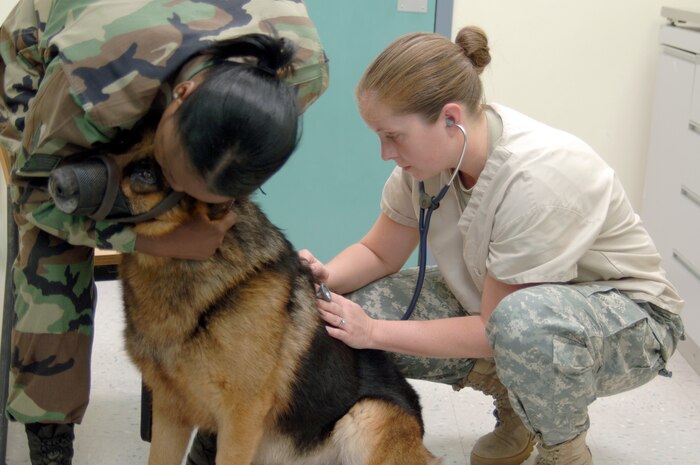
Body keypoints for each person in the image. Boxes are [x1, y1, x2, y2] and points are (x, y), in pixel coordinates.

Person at [300, 26, 685, 465]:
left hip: (632, 319)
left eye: (394, 135)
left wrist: (372, 331)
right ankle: (517, 403)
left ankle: (564, 450)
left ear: (450, 118)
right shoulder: (426, 166)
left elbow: (495, 326)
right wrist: (326, 277)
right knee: (343, 308)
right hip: (507, 305)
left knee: (522, 324)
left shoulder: (539, 177)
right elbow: (379, 254)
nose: (385, 152)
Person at [0, 0, 328, 463]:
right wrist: (150, 238)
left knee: (209, 221)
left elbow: (233, 155)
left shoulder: (302, 70)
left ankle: (212, 415)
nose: (180, 196)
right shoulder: (89, 84)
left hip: (179, 68)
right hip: (57, 50)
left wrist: (201, 211)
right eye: (170, 175)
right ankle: (49, 439)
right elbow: (34, 200)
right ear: (180, 95)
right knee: (50, 263)